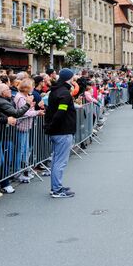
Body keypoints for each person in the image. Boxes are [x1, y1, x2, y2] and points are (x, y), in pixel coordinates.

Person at [44, 69, 78, 198]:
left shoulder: (55, 90)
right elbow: (61, 112)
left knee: (56, 160)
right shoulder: (64, 93)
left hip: (57, 130)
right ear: (68, 79)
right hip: (62, 131)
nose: (73, 80)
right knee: (60, 161)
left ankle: (56, 186)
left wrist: (50, 126)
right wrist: (52, 125)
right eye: (72, 78)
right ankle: (57, 189)